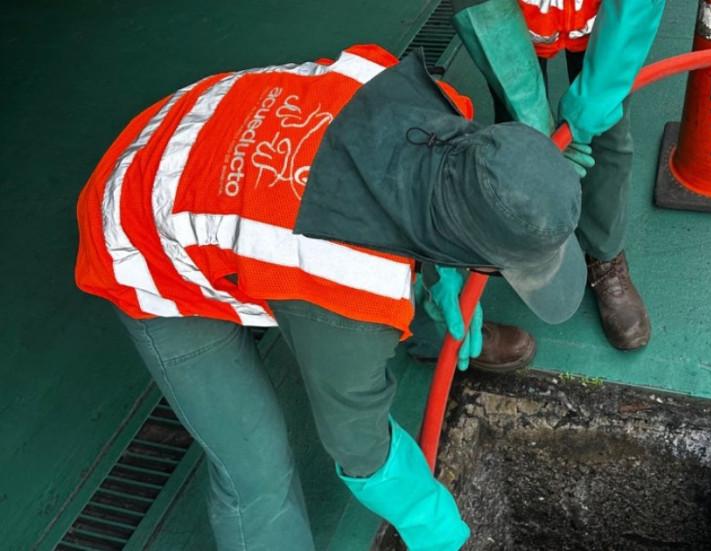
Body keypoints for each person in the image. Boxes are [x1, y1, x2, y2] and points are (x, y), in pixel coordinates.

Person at [74, 44, 586, 551]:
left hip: (203, 125)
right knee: (256, 468)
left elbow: (425, 199)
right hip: (144, 229)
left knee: (393, 273)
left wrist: (448, 279)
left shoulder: (426, 103)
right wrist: (429, 521)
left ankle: (428, 332)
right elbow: (357, 446)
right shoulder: (345, 289)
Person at [452, 0, 664, 350]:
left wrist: (593, 104)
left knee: (606, 134)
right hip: (507, 18)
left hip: (603, 19)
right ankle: (534, 244)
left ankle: (604, 255)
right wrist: (532, 117)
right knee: (518, 138)